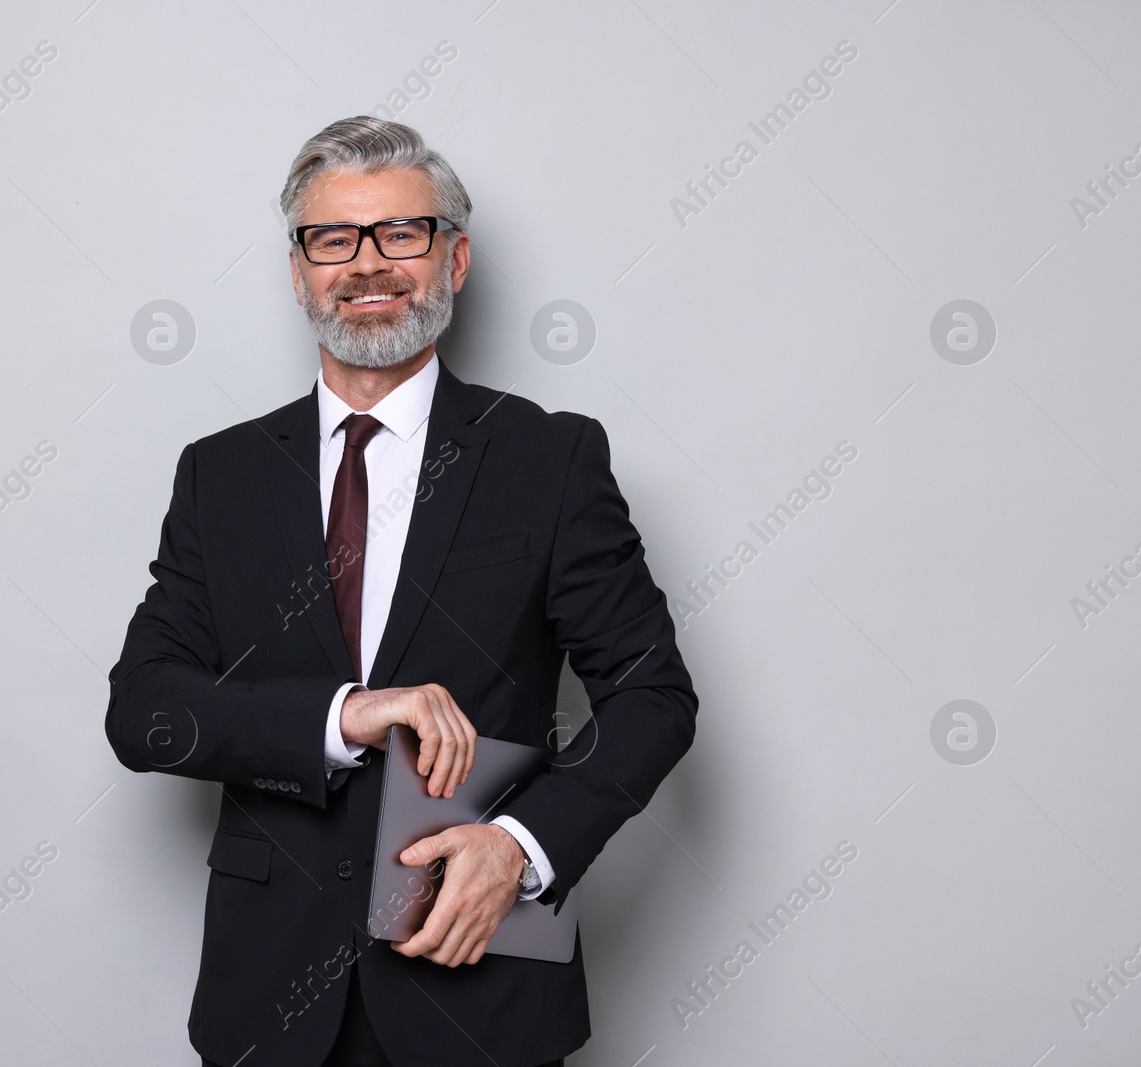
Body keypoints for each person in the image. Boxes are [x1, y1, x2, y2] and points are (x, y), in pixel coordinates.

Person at [106, 115, 698, 1067]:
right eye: (334, 239)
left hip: (483, 990)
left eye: (402, 234)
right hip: (269, 1002)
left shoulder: (549, 460)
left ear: (455, 260)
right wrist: (345, 715)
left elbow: (653, 698)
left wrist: (520, 846)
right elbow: (143, 712)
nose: (368, 264)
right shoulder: (221, 475)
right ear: (299, 273)